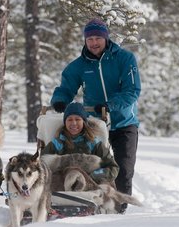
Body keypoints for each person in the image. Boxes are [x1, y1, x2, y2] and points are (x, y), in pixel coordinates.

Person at [50, 18, 141, 213]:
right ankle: (91, 203)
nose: (93, 43)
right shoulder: (80, 65)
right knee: (95, 167)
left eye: (97, 38)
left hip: (124, 123)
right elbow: (67, 86)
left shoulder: (124, 59)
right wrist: (59, 100)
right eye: (89, 38)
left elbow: (132, 90)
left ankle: (119, 209)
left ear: (106, 38)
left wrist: (110, 106)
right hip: (95, 125)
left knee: (123, 169)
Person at [42, 102, 119, 187]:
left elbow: (113, 168)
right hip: (63, 186)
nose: (73, 123)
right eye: (69, 119)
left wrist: (93, 176)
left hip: (91, 185)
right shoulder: (57, 143)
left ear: (84, 122)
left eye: (77, 119)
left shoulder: (93, 143)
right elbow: (41, 165)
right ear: (65, 122)